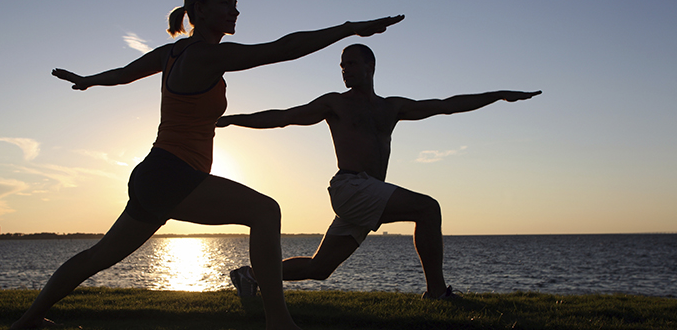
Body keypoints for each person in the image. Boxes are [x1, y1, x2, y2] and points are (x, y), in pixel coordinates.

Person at [9, 0, 403, 328]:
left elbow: (126, 72)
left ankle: (28, 320)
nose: (236, 10)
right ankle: (279, 322)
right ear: (199, 9)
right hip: (172, 174)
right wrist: (350, 28)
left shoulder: (172, 53)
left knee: (98, 256)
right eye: (226, 3)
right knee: (266, 211)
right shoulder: (205, 55)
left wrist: (90, 80)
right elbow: (284, 49)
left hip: (157, 175)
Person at [218, 43, 541, 300]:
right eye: (342, 65)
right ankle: (437, 292)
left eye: (352, 63)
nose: (345, 70)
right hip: (351, 188)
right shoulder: (336, 104)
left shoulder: (391, 107)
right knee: (427, 209)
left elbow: (446, 104)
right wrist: (235, 119)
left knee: (320, 268)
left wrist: (498, 95)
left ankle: (251, 275)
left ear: (370, 67)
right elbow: (285, 116)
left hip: (367, 192)